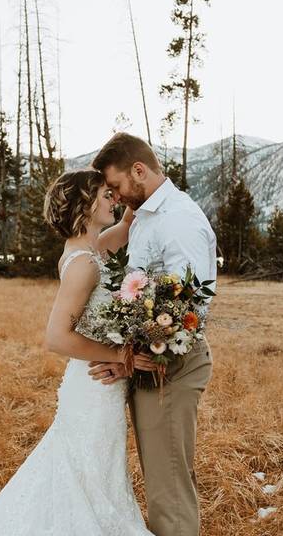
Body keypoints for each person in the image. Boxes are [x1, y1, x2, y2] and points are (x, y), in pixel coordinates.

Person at [0, 168, 153, 535]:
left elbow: (125, 227)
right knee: (86, 477)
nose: (112, 199)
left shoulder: (95, 247)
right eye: (104, 195)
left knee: (94, 475)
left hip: (101, 386)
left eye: (112, 194)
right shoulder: (82, 264)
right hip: (93, 385)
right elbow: (56, 338)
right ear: (84, 204)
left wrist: (135, 193)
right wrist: (121, 355)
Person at [87, 132, 217, 536]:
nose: (116, 195)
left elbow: (191, 308)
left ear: (138, 171)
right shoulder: (144, 215)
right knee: (161, 483)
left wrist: (143, 355)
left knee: (169, 491)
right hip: (148, 365)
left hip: (170, 368)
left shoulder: (178, 219)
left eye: (117, 186)